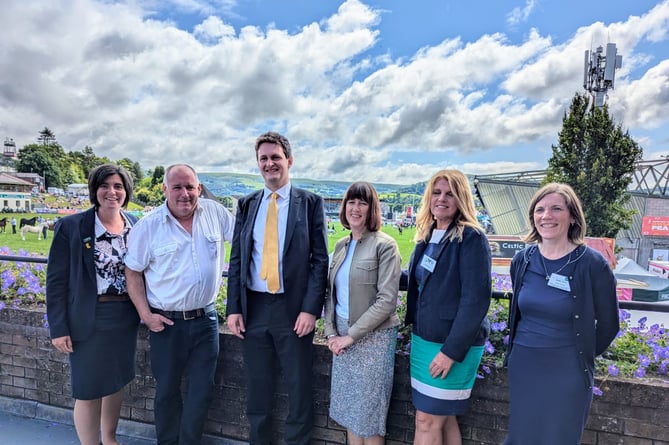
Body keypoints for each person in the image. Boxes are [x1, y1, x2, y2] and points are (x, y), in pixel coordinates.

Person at [226, 131, 329, 445]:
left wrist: (311, 309)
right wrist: (234, 309)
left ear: (289, 161)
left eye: (275, 157)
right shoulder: (246, 204)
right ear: (258, 164)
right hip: (254, 308)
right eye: (264, 159)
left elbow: (320, 259)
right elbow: (238, 258)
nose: (270, 164)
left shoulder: (309, 202)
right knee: (257, 386)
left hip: (293, 310)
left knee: (298, 387)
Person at [124, 164, 235, 444]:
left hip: (206, 321)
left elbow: (246, 244)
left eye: (190, 187)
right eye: (177, 187)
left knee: (201, 392)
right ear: (165, 190)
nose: (184, 193)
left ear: (198, 188)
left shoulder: (216, 213)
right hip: (166, 323)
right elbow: (132, 271)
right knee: (167, 392)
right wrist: (146, 315)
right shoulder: (148, 226)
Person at [503, 183, 619, 445]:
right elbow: (521, 311)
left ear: (573, 217)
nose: (547, 216)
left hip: (568, 372)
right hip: (525, 366)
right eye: (540, 209)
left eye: (557, 209)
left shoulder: (592, 264)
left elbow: (610, 324)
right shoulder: (522, 260)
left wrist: (578, 353)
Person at [46, 164, 140, 445]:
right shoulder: (72, 226)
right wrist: (58, 328)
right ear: (94, 190)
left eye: (118, 186)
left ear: (126, 191)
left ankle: (109, 439)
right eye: (105, 185)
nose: (112, 192)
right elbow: (56, 281)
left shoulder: (135, 223)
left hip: (125, 317)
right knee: (88, 388)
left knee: (116, 381)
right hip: (88, 317)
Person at [404, 169, 492, 445]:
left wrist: (450, 352)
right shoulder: (429, 234)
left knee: (426, 420)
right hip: (424, 340)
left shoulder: (472, 238)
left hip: (451, 345)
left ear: (461, 199)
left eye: (450, 194)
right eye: (437, 192)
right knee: (443, 417)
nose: (442, 199)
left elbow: (475, 300)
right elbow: (420, 281)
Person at [324, 181, 401, 445]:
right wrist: (331, 332)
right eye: (351, 202)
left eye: (362, 203)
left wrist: (350, 336)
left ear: (372, 209)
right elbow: (330, 294)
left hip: (374, 339)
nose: (355, 208)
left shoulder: (386, 245)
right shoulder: (340, 246)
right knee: (349, 412)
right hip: (343, 336)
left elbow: (387, 301)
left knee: (369, 418)